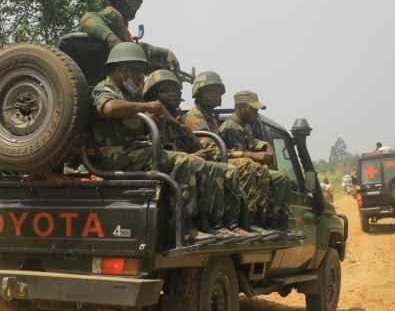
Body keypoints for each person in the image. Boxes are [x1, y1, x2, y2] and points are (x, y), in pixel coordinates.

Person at [88, 43, 218, 245]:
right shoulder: (104, 89)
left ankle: (204, 222)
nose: (141, 77)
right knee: (184, 161)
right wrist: (148, 106)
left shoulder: (129, 95)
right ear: (119, 68)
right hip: (117, 156)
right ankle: (183, 227)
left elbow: (140, 120)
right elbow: (109, 108)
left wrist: (161, 121)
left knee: (199, 163)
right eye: (136, 71)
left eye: (142, 72)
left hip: (137, 152)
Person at [142, 70, 259, 242]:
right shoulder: (154, 117)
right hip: (159, 164)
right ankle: (196, 224)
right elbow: (157, 148)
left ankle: (220, 222)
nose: (172, 93)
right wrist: (193, 155)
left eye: (174, 90)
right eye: (165, 90)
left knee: (217, 167)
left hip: (180, 161)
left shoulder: (179, 119)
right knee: (213, 166)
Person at [183, 71, 277, 240]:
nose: (214, 95)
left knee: (258, 167)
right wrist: (247, 154)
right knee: (246, 164)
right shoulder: (195, 117)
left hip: (213, 163)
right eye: (209, 91)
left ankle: (252, 221)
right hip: (204, 164)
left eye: (217, 92)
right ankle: (233, 222)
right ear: (198, 93)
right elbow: (214, 152)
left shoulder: (210, 119)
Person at [219, 90, 294, 239]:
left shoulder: (244, 127)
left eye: (257, 110)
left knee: (281, 178)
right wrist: (255, 156)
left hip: (248, 169)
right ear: (239, 108)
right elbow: (237, 153)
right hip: (238, 171)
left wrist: (266, 147)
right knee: (254, 167)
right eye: (252, 109)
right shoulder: (230, 127)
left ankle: (273, 222)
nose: (256, 113)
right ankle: (251, 220)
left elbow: (253, 144)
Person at [79, 0, 180, 73]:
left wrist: (165, 52)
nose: (135, 3)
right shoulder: (111, 15)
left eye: (137, 1)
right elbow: (87, 18)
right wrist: (110, 37)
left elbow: (135, 47)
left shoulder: (121, 25)